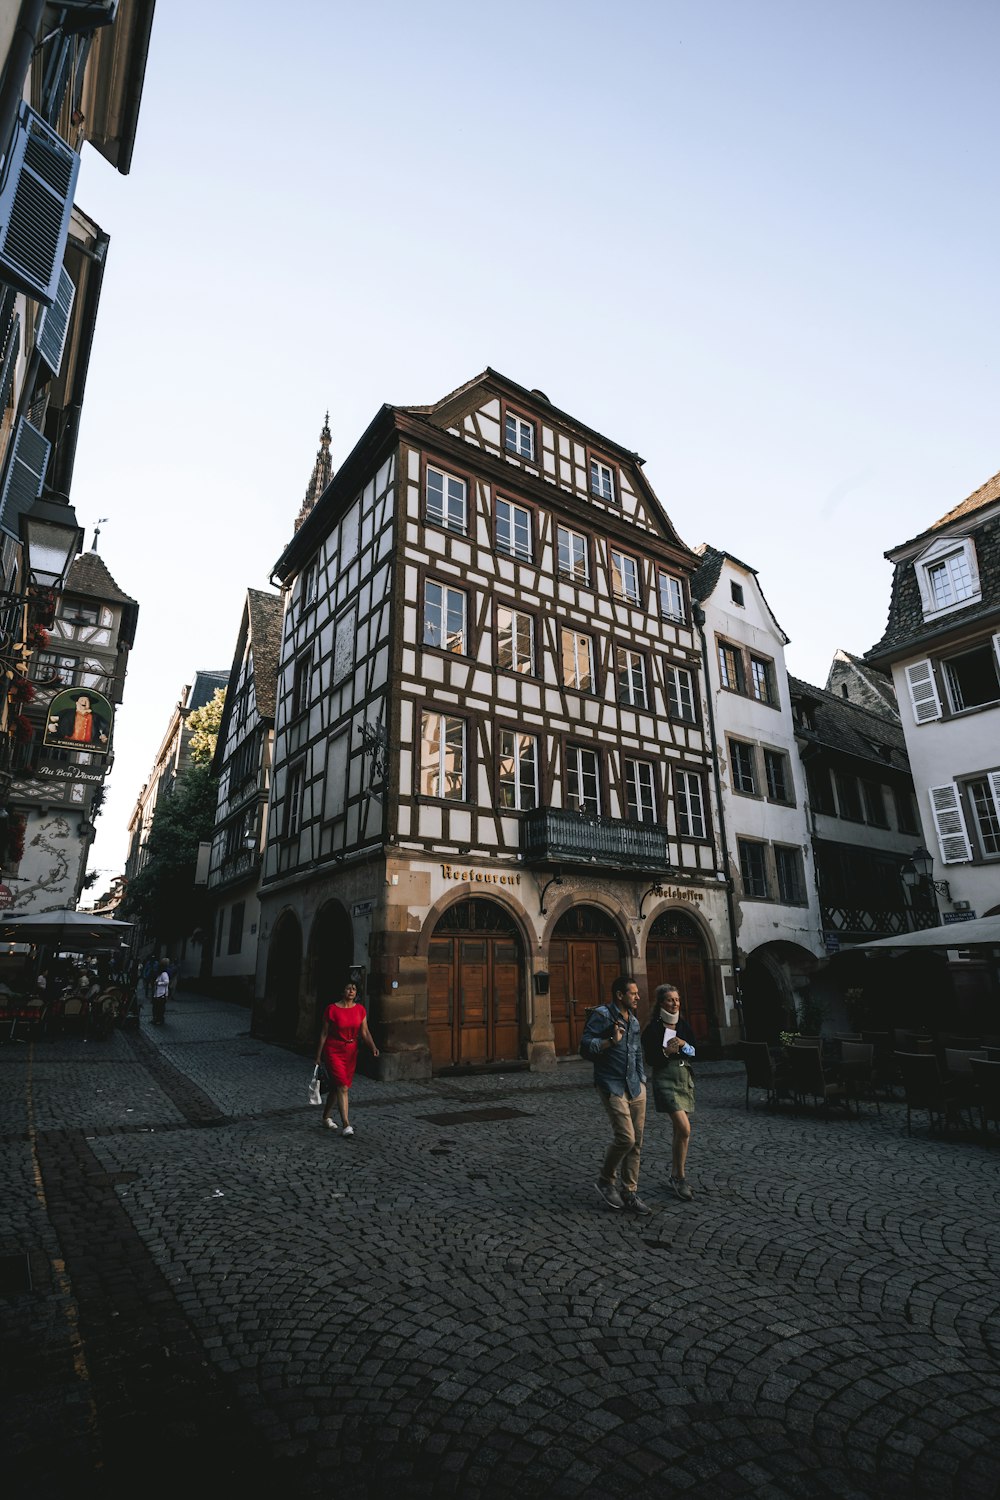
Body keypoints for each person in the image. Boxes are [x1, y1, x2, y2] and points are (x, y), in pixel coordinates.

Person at [580, 975, 650, 1214]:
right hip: (612, 1085)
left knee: (637, 1143)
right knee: (626, 1138)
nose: (638, 996)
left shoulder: (635, 1021)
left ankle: (630, 1192)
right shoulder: (602, 1015)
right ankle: (605, 1180)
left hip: (635, 1086)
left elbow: (637, 1051)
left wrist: (642, 1081)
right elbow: (585, 1047)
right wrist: (610, 1041)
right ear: (620, 995)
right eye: (633, 993)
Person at [642, 983, 697, 1202]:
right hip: (665, 1079)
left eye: (677, 999)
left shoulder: (682, 1025)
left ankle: (676, 1175)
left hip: (684, 1078)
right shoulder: (653, 1029)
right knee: (684, 1128)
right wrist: (665, 1052)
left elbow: (694, 1050)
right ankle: (680, 1176)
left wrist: (683, 1044)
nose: (674, 1003)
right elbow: (651, 1059)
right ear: (661, 1003)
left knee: (679, 1132)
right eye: (670, 1000)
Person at [314, 980, 379, 1136]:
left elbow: (365, 1032)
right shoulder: (332, 1009)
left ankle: (325, 1117)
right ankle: (346, 1124)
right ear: (342, 991)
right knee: (342, 1086)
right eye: (348, 988)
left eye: (354, 989)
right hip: (334, 1050)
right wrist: (318, 1055)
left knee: (339, 1086)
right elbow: (324, 1033)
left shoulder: (360, 1010)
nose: (351, 991)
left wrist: (373, 1047)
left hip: (350, 1051)